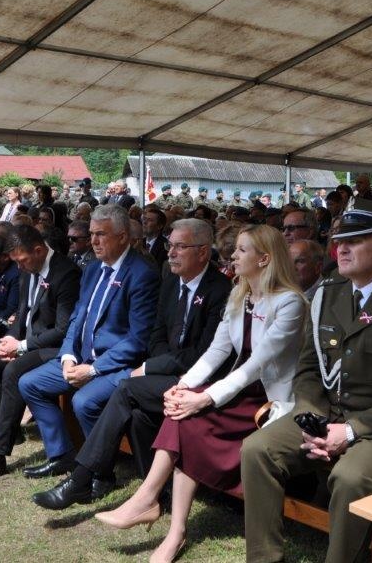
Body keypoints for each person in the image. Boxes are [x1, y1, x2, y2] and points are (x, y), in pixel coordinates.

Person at [240, 199, 372, 563]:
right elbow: (308, 368)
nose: (342, 248)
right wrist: (310, 417)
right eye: (340, 241)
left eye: (355, 241)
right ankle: (264, 558)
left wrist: (348, 431)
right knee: (257, 450)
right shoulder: (327, 293)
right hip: (325, 415)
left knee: (351, 477)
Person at [95, 225, 305, 563]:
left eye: (241, 250)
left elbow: (257, 365)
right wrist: (184, 386)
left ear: (264, 259)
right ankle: (161, 515)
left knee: (185, 418)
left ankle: (158, 513)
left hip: (265, 400)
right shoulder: (240, 295)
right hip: (236, 389)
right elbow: (216, 351)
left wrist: (204, 398)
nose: (232, 255)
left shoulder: (290, 302)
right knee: (181, 413)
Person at [32, 219, 232, 509]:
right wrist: (159, 365)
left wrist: (151, 368)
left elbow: (203, 353)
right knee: (138, 415)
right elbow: (156, 336)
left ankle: (80, 479)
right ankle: (156, 492)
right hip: (167, 372)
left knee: (126, 388)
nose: (171, 253)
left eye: (180, 247)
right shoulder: (171, 281)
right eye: (170, 245)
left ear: (203, 252)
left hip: (201, 380)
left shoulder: (220, 290)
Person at [17, 205, 159, 479]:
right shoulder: (93, 269)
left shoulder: (142, 274)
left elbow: (137, 340)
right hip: (82, 358)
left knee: (84, 401)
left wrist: (93, 369)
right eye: (92, 234)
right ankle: (61, 455)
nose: (93, 241)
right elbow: (76, 319)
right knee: (29, 383)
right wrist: (68, 356)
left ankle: (99, 473)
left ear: (122, 237)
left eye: (101, 234)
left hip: (117, 365)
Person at [0, 225, 82, 484]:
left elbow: (63, 330)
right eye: (16, 261)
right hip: (28, 341)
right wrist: (10, 338)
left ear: (38, 250)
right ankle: (5, 427)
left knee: (14, 371)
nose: (19, 267)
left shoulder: (66, 273)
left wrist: (22, 346)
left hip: (57, 347)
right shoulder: (27, 270)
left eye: (22, 260)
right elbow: (23, 313)